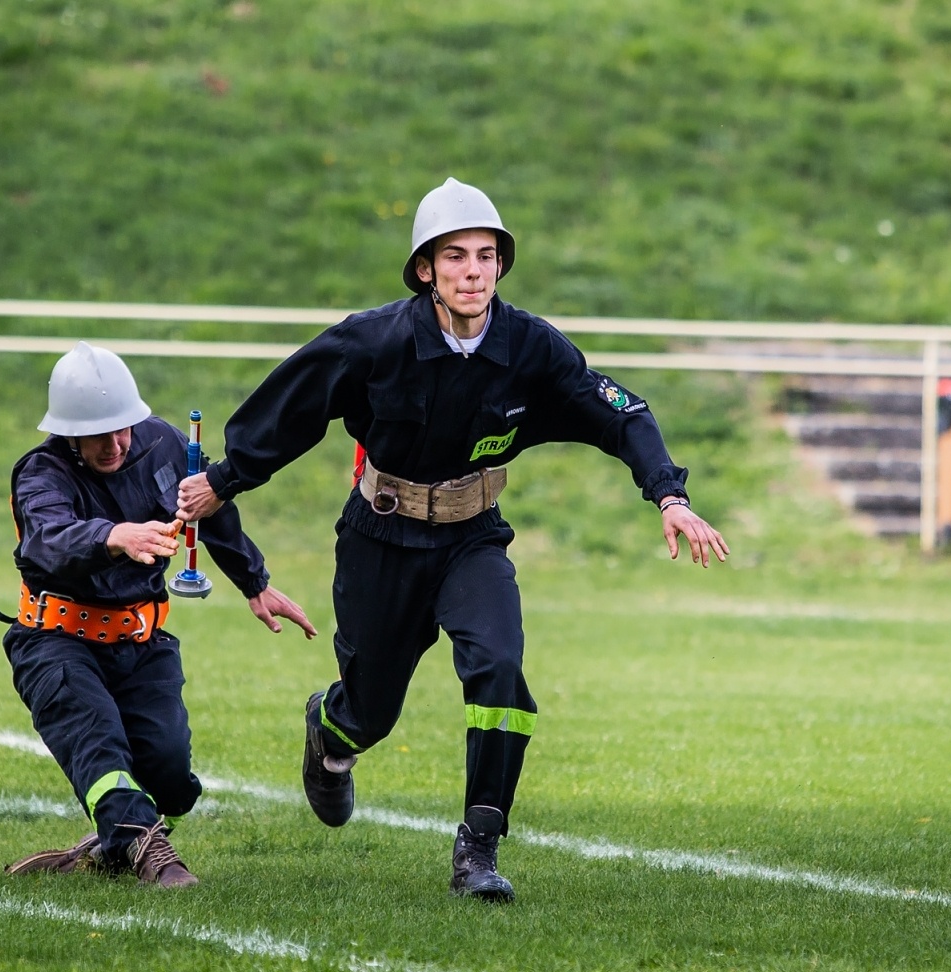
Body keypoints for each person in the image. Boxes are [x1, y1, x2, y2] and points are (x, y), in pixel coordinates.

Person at [177, 178, 728, 902]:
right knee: (371, 709)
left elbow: (620, 410)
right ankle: (333, 732)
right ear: (426, 270)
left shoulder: (530, 347)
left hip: (474, 540)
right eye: (456, 256)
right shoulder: (373, 340)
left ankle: (479, 845)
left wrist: (669, 493)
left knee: (500, 669)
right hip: (379, 539)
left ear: (501, 266)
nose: (474, 270)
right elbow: (291, 408)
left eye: (487, 256)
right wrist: (225, 477)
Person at [0, 341, 316, 887]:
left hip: (142, 645)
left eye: (123, 427)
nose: (116, 443)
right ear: (68, 431)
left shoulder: (165, 442)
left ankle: (116, 835)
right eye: (99, 434)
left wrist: (255, 582)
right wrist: (116, 536)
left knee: (172, 785)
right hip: (56, 642)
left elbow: (207, 506)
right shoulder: (39, 474)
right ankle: (149, 852)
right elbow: (47, 539)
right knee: (99, 744)